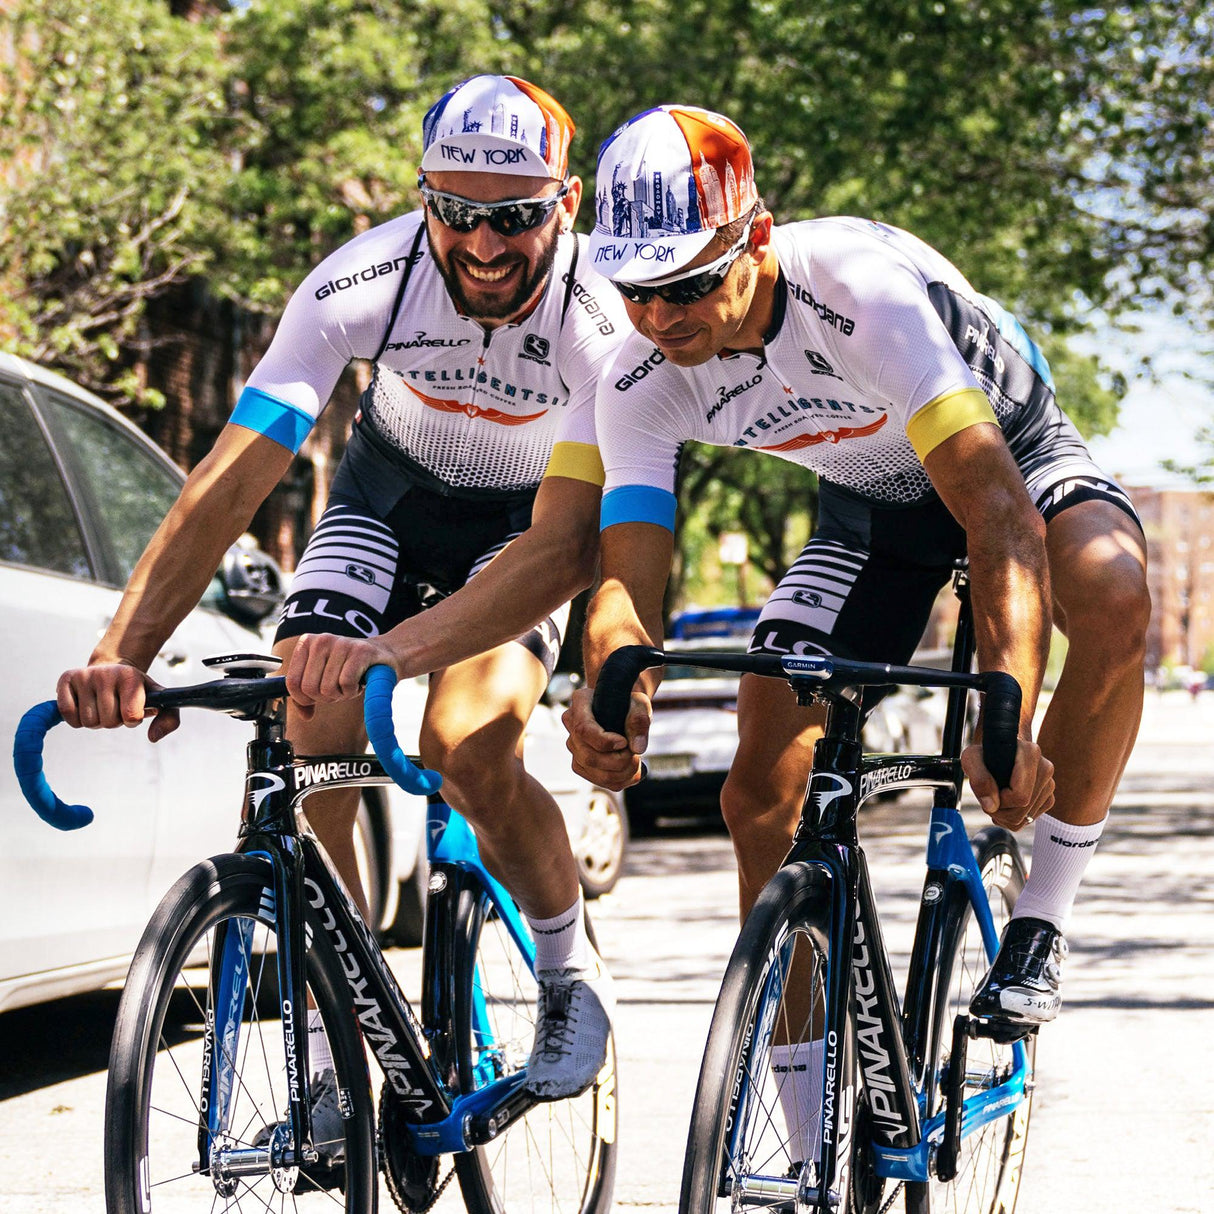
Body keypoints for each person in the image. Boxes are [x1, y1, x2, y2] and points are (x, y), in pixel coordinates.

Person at [57, 74, 629, 1109]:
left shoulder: (603, 318)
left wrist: (397, 652)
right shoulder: (359, 280)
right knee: (306, 713)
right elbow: (232, 477)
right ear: (423, 200)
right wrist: (120, 651)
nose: (485, 245)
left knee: (466, 740)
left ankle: (565, 970)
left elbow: (560, 552)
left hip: (524, 522)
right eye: (457, 214)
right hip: (387, 497)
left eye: (513, 217)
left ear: (567, 203)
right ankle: (335, 1027)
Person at [566, 106, 1149, 1042]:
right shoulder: (639, 373)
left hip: (1011, 459)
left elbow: (1000, 514)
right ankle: (791, 1137)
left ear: (755, 238)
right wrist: (612, 680)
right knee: (759, 783)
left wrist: (1010, 718)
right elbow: (627, 576)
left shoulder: (860, 291)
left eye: (687, 284)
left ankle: (1042, 916)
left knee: (1114, 597)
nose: (659, 317)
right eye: (634, 290)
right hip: (876, 510)